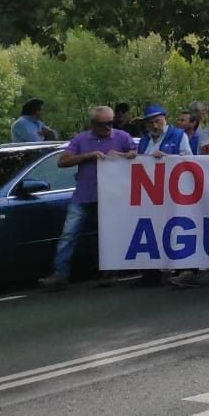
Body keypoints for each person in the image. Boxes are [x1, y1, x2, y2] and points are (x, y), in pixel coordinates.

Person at [38, 106, 136, 289]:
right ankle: (60, 274)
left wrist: (122, 155)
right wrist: (87, 156)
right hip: (83, 195)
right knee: (68, 234)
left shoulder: (122, 137)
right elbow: (62, 161)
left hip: (111, 197)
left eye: (110, 123)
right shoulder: (81, 139)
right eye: (102, 124)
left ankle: (110, 272)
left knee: (108, 235)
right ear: (93, 124)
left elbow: (135, 156)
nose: (107, 128)